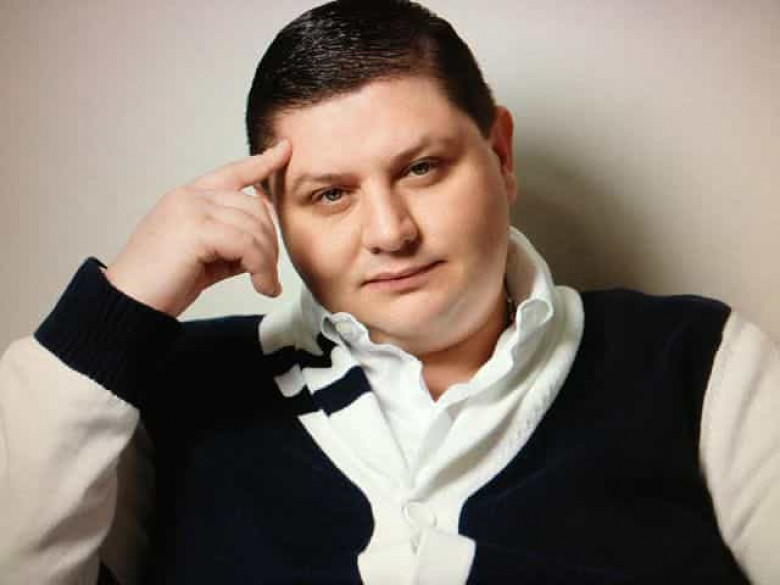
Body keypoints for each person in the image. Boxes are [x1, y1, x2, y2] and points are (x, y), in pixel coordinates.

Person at [0, 1, 778, 583]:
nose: (390, 231)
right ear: (273, 213)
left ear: (501, 154)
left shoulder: (701, 363)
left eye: (422, 168)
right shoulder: (168, 392)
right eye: (330, 194)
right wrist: (118, 307)